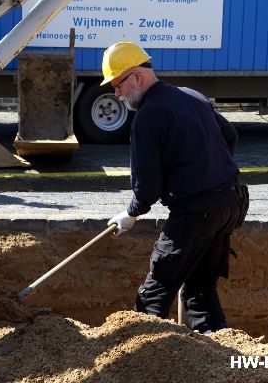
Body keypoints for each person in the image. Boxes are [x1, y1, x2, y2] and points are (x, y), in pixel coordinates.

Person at [102, 42, 249, 334]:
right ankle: (215, 352)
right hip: (232, 201)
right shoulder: (191, 96)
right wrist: (207, 169)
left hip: (197, 212)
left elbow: (147, 187)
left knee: (156, 289)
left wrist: (131, 213)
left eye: (118, 85)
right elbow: (229, 137)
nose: (117, 95)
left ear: (136, 76)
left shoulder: (147, 117)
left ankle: (141, 352)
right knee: (199, 286)